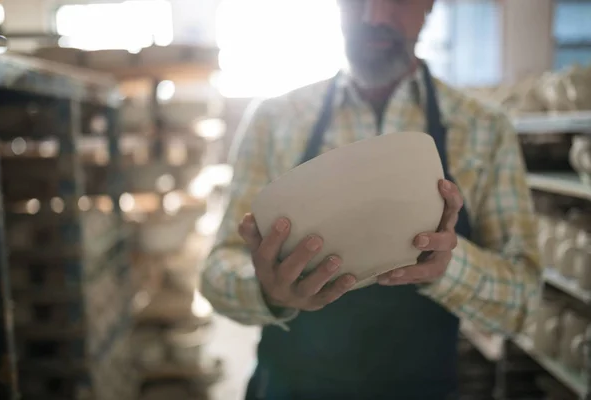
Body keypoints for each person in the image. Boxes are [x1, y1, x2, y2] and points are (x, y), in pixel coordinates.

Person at [201, 0, 542, 398]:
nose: (375, 16)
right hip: (293, 387)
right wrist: (265, 290)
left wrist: (449, 267)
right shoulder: (276, 120)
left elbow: (523, 305)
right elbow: (216, 273)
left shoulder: (485, 130)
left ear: (429, 5)